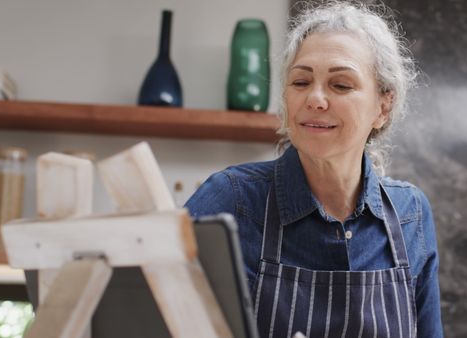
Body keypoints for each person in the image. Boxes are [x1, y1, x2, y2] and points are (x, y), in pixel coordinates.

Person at [186, 2, 443, 337]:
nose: (315, 99)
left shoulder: (411, 213)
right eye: (301, 82)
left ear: (383, 106)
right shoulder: (231, 200)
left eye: (340, 85)